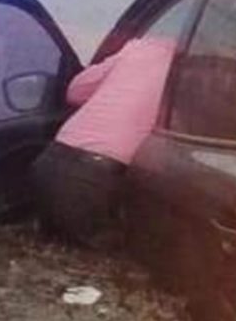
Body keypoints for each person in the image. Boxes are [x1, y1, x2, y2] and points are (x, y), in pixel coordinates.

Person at [32, 32, 181, 249]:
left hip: (48, 164)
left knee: (55, 246)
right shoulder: (196, 69)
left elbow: (75, 91)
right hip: (97, 180)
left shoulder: (141, 48)